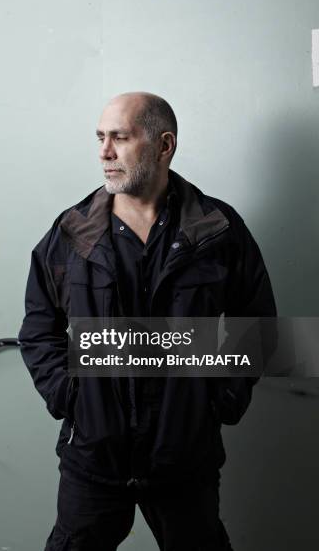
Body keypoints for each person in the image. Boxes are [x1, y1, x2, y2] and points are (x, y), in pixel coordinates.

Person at [17, 92, 277, 551]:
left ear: (164, 145)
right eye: (100, 138)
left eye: (120, 137)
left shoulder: (216, 230)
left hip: (184, 457)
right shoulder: (72, 233)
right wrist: (69, 395)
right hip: (95, 457)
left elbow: (257, 321)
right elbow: (39, 329)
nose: (104, 152)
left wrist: (219, 399)